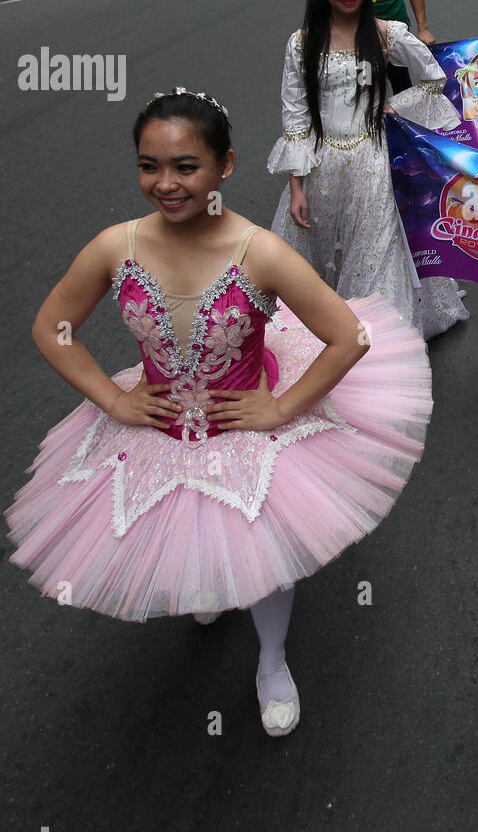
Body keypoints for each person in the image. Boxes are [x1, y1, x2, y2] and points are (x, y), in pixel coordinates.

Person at [6, 89, 433, 737]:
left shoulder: (259, 251)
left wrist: (283, 406)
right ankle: (210, 588)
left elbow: (349, 337)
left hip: (242, 422)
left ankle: (269, 662)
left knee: (257, 549)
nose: (166, 183)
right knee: (184, 534)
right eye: (150, 166)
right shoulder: (112, 248)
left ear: (225, 165)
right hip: (161, 423)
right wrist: (115, 398)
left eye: (186, 166)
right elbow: (51, 327)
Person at [270, 0, 468, 339]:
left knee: (375, 255)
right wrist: (296, 186)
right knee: (319, 255)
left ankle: (378, 343)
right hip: (322, 166)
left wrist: (395, 106)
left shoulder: (387, 32)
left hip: (375, 163)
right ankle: (325, 333)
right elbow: (296, 115)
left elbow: (432, 78)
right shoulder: (301, 43)